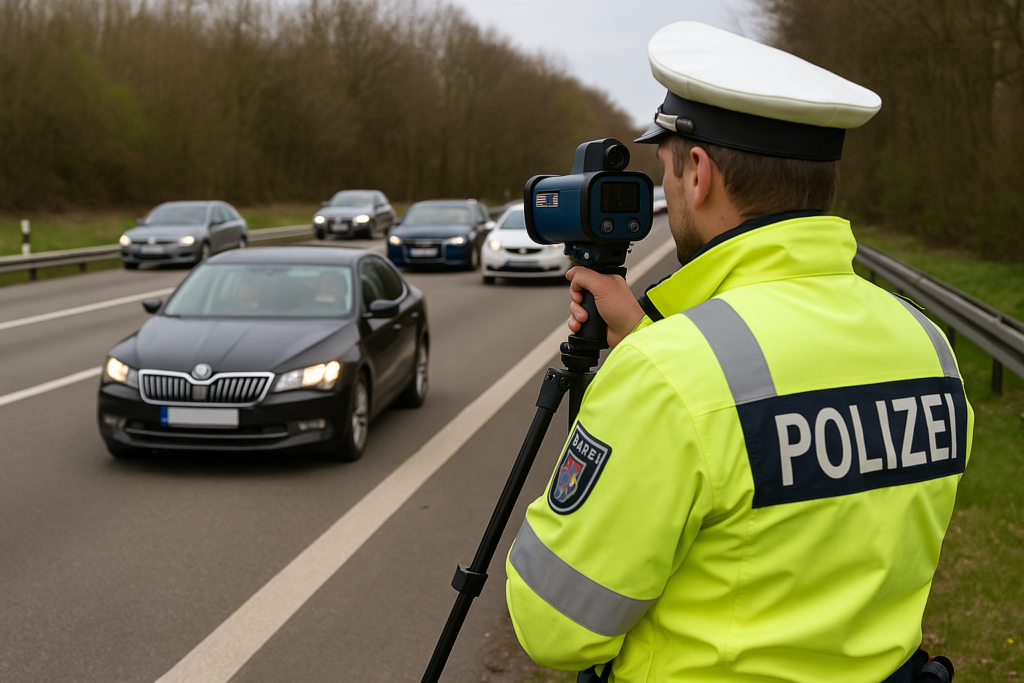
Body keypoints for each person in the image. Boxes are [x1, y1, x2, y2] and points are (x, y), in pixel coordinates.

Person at [505, 21, 972, 683]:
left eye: (665, 168)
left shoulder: (670, 375)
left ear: (698, 173)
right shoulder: (929, 348)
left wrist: (650, 366)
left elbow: (553, 624)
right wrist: (647, 338)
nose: (665, 189)